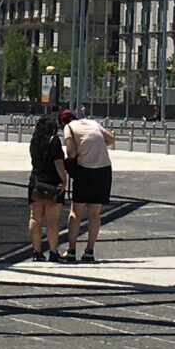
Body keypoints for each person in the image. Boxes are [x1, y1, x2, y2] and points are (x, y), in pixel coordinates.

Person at [60, 108, 116, 264]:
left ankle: (71, 250)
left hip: (85, 171)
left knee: (76, 212)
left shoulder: (68, 127)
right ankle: (90, 251)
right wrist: (94, 146)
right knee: (94, 213)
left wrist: (81, 150)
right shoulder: (92, 122)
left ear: (62, 122)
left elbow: (71, 153)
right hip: (104, 170)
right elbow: (111, 139)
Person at [25, 110, 68, 262]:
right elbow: (58, 163)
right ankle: (53, 252)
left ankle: (36, 252)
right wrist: (64, 180)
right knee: (52, 220)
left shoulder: (34, 140)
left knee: (35, 218)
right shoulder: (53, 140)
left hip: (35, 181)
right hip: (52, 183)